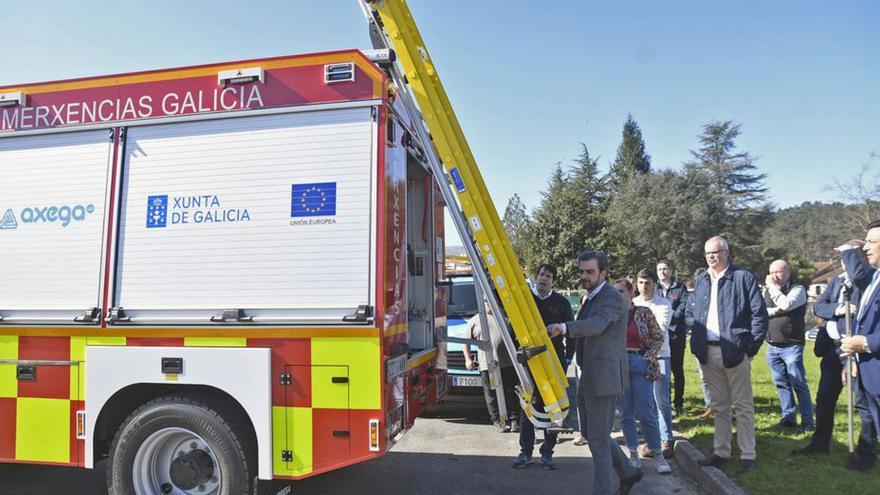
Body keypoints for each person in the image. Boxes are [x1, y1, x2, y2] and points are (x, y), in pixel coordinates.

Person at [548, 251, 642, 495]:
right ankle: (629, 473)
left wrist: (564, 327)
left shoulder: (612, 298)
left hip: (605, 378)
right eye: (581, 271)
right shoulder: (590, 296)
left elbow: (598, 325)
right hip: (588, 373)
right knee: (590, 432)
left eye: (589, 272)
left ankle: (602, 490)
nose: (584, 276)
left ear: (603, 272)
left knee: (598, 438)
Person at [686, 236, 768, 474]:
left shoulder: (743, 278)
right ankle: (721, 451)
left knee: (743, 406)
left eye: (716, 252)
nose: (712, 257)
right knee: (719, 406)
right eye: (708, 253)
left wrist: (749, 348)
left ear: (727, 253)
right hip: (707, 352)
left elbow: (759, 315)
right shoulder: (701, 280)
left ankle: (747, 455)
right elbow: (691, 313)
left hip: (734, 351)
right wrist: (697, 340)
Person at [792, 250, 877, 470]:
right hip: (832, 349)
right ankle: (820, 443)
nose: (844, 264)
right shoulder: (837, 281)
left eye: (848, 258)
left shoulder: (867, 280)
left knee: (862, 402)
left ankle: (865, 452)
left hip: (855, 348)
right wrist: (840, 308)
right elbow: (819, 307)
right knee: (825, 398)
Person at [512, 263, 573, 469]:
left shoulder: (561, 303)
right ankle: (525, 452)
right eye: (540, 274)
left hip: (554, 363)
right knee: (528, 406)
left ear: (553, 280)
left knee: (553, 408)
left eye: (548, 276)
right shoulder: (526, 301)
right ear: (535, 276)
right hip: (530, 363)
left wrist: (568, 358)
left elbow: (570, 332)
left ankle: (547, 452)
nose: (543, 278)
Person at [615, 278, 672, 474]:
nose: (618, 296)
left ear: (631, 293)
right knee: (626, 412)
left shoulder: (643, 312)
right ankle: (633, 453)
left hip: (640, 362)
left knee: (646, 411)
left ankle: (657, 454)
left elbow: (658, 336)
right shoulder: (612, 315)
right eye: (615, 292)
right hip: (619, 365)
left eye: (621, 292)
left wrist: (648, 357)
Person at [839, 221, 880, 466]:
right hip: (868, 370)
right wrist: (854, 355)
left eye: (872, 242)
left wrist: (864, 343)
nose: (865, 247)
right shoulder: (875, 278)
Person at [763, 259, 815, 433]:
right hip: (772, 344)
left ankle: (808, 421)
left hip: (791, 345)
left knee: (798, 383)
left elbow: (785, 304)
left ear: (787, 272)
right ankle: (788, 418)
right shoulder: (768, 291)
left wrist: (773, 289)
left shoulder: (798, 290)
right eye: (772, 272)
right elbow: (763, 311)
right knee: (781, 383)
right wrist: (776, 310)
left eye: (778, 272)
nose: (774, 276)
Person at [633, 269, 674, 460]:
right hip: (638, 357)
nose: (644, 286)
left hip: (660, 356)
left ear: (654, 284)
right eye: (640, 283)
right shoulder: (633, 303)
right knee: (643, 401)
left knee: (661, 400)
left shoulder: (663, 304)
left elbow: (659, 328)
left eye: (647, 282)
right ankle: (650, 440)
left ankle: (667, 440)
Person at [463, 302, 518, 432]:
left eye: (490, 302)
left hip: (507, 363)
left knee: (511, 392)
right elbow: (466, 343)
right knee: (491, 394)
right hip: (487, 365)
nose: (488, 305)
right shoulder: (475, 320)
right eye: (486, 302)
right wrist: (468, 359)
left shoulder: (505, 316)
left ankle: (514, 419)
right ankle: (497, 421)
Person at [657, 260, 689, 419]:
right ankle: (665, 402)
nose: (663, 272)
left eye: (665, 269)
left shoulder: (680, 288)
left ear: (671, 270)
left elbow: (684, 306)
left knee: (677, 369)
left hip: (676, 334)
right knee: (663, 370)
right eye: (660, 269)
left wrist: (669, 318)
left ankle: (679, 403)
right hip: (659, 335)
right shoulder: (654, 288)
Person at [689, 267, 714, 420]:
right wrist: (701, 324)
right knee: (704, 376)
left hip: (717, 340)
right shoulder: (692, 297)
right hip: (700, 340)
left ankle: (725, 406)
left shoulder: (714, 295)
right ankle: (710, 405)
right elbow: (688, 316)